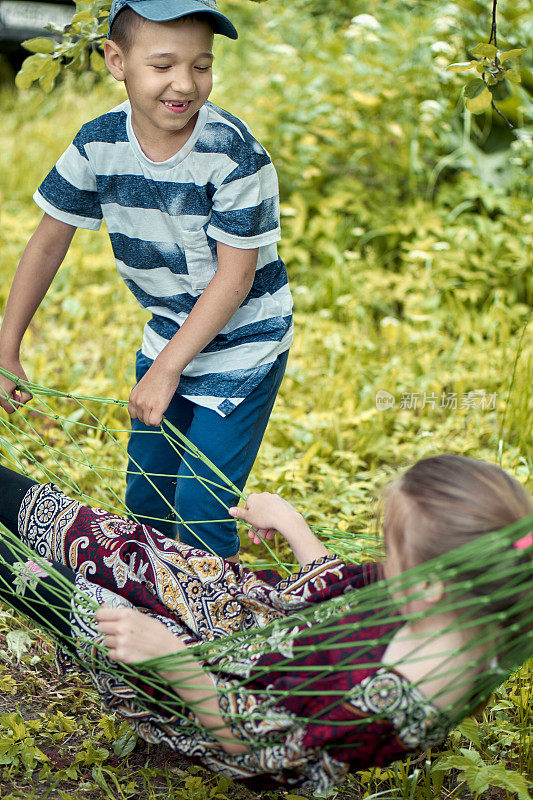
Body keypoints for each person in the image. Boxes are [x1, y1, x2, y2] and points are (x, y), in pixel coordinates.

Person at [0, 454, 531, 792]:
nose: (382, 565)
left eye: (391, 553)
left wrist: (170, 656)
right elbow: (350, 600)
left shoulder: (381, 697)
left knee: (95, 608)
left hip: (218, 698)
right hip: (261, 629)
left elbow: (256, 746)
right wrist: (296, 529)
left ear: (428, 588)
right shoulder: (470, 610)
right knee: (125, 550)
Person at [0, 0, 293, 560]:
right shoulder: (98, 143)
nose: (184, 83)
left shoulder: (232, 153)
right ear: (117, 60)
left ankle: (216, 628)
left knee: (202, 506)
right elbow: (46, 243)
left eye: (201, 65)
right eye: (163, 66)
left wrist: (164, 372)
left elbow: (234, 281)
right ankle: (156, 611)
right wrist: (7, 346)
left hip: (244, 347)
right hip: (169, 335)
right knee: (148, 500)